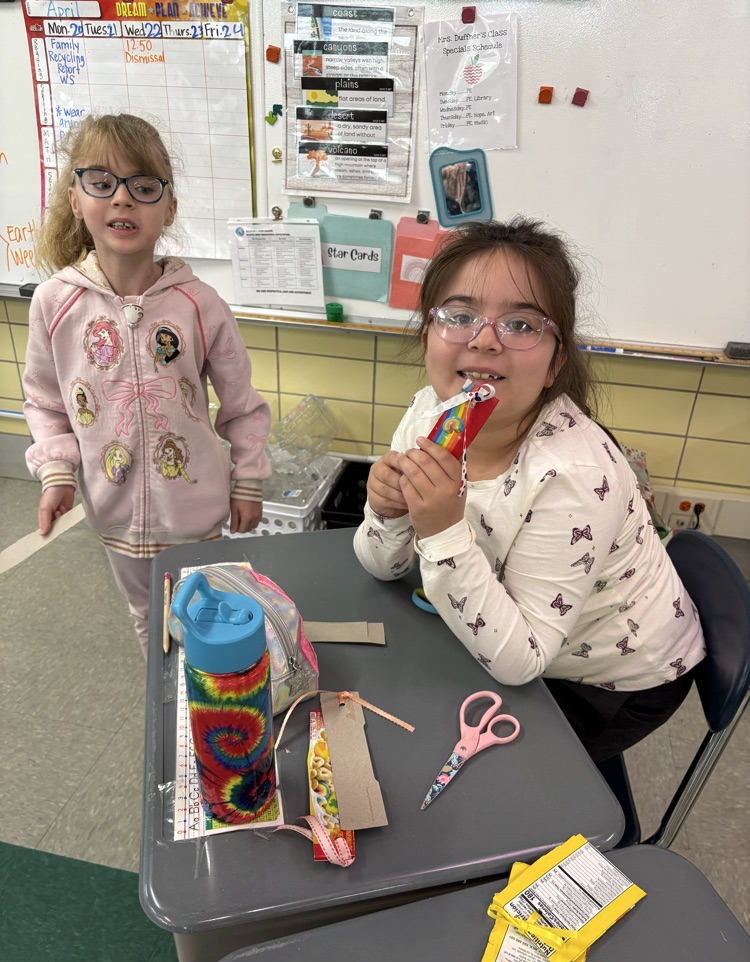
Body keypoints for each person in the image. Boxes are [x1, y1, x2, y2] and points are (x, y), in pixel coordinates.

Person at [353, 218, 705, 763]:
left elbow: (522, 661)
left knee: (485, 777)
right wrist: (387, 512)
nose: (484, 339)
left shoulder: (573, 475)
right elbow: (382, 566)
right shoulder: (428, 414)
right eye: (460, 316)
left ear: (554, 363)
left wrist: (443, 534)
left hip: (612, 674)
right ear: (427, 338)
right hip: (510, 627)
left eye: (520, 324)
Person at [23, 113, 271, 655]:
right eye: (101, 182)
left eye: (143, 186)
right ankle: (164, 700)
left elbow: (243, 405)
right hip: (112, 510)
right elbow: (45, 402)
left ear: (169, 208)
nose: (121, 198)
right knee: (148, 618)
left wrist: (248, 478)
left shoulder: (200, 304)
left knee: (208, 616)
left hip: (197, 510)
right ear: (74, 199)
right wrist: (56, 471)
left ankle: (206, 692)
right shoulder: (54, 303)